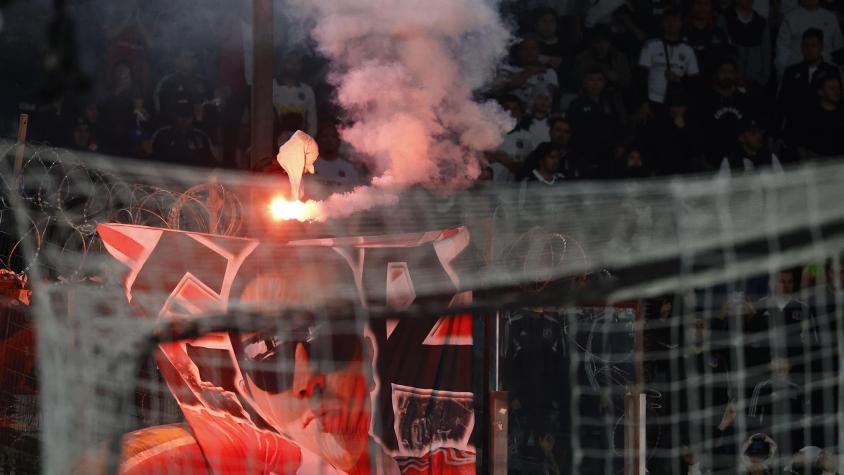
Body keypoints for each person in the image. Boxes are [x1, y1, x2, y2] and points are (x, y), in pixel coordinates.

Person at [778, 28, 841, 150]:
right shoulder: (791, 71)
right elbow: (782, 102)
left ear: (821, 47)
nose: (809, 50)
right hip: (795, 131)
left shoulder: (832, 71)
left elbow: (837, 101)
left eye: (813, 45)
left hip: (824, 131)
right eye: (805, 45)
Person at [566, 66, 622, 178]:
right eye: (591, 80)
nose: (595, 83)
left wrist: (620, 145)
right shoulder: (576, 105)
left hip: (608, 157)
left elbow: (618, 126)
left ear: (604, 83)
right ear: (584, 82)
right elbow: (571, 132)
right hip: (584, 157)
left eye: (599, 80)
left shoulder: (610, 102)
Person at [700, 58, 759, 165]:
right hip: (712, 159)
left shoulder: (745, 100)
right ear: (715, 74)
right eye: (722, 72)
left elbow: (752, 130)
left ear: (736, 75)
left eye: (730, 72)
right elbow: (699, 131)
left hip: (742, 161)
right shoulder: (704, 100)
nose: (726, 75)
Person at [638, 8, 700, 107]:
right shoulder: (650, 45)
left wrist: (678, 80)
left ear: (680, 24)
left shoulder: (688, 50)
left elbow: (694, 82)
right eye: (667, 20)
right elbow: (640, 76)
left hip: (678, 103)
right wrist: (643, 102)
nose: (671, 23)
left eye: (675, 20)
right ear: (662, 23)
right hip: (653, 101)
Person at [775, 0, 844, 76]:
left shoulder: (831, 18)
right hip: (797, 72)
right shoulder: (790, 18)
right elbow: (782, 50)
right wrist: (782, 72)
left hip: (826, 74)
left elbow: (838, 49)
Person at [494, 36, 560, 107]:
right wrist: (530, 72)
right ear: (518, 51)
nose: (529, 52)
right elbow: (507, 87)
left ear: (539, 51)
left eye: (533, 48)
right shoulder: (507, 70)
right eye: (525, 48)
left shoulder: (549, 72)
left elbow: (553, 95)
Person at [720, 0, 772, 90]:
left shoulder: (761, 23)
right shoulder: (725, 19)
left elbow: (766, 52)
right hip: (730, 82)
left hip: (755, 82)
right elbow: (720, 50)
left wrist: (762, 80)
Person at [151, 99, 218, 167]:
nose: (184, 119)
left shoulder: (201, 136)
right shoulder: (161, 134)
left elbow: (211, 160)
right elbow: (152, 157)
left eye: (188, 116)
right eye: (181, 115)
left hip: (195, 175)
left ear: (192, 117)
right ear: (175, 116)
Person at [152, 47, 212, 123]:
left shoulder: (204, 82)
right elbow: (159, 108)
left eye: (193, 57)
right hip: (172, 128)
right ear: (177, 61)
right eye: (186, 57)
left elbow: (212, 105)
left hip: (199, 128)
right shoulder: (167, 82)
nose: (190, 60)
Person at [487, 95, 536, 184]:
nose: (510, 112)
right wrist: (495, 156)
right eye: (506, 108)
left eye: (515, 109)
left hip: (516, 189)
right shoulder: (486, 134)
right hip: (490, 187)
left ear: (521, 113)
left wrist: (513, 165)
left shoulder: (529, 137)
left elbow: (532, 166)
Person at [796, 75, 844, 158]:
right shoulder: (810, 116)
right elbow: (801, 146)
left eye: (839, 88)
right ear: (821, 92)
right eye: (832, 88)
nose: (837, 92)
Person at [273, 52, 318, 137]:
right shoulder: (271, 87)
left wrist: (308, 141)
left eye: (297, 63)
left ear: (301, 66)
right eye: (290, 62)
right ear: (283, 64)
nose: (294, 66)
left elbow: (312, 121)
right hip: (275, 138)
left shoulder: (307, 90)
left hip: (299, 140)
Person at [719, 119, 783, 176]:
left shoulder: (770, 157)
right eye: (753, 133)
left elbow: (783, 183)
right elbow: (722, 187)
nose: (759, 136)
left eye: (759, 131)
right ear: (741, 138)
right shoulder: (730, 161)